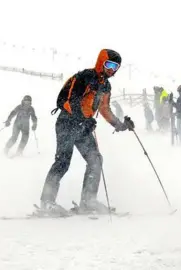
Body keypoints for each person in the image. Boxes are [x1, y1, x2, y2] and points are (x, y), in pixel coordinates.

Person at [39, 49, 134, 216]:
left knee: (95, 159)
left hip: (83, 127)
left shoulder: (106, 85)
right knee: (63, 162)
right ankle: (47, 202)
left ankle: (88, 201)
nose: (112, 69)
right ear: (101, 62)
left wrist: (120, 125)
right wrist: (84, 119)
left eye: (115, 66)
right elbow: (71, 101)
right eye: (109, 64)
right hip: (67, 123)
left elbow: (104, 108)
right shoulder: (85, 77)